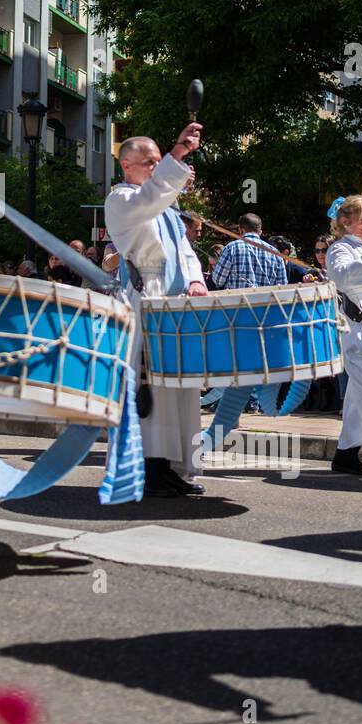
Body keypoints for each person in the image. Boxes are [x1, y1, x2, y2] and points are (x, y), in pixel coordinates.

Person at [104, 125, 207, 498]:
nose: (155, 166)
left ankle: (177, 464)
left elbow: (185, 251)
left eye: (157, 160)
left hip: (177, 304)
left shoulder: (166, 209)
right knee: (154, 387)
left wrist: (196, 280)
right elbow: (150, 197)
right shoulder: (121, 200)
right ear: (126, 165)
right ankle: (150, 465)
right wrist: (177, 157)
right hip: (148, 298)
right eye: (149, 162)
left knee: (182, 387)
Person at [325, 195, 362, 478]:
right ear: (346, 221)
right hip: (357, 334)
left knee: (361, 397)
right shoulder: (339, 250)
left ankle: (345, 456)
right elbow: (344, 277)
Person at [211, 213, 287, 289]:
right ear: (260, 232)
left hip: (237, 300)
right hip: (266, 300)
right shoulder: (275, 253)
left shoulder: (231, 248)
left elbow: (217, 280)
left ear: (240, 230)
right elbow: (282, 286)